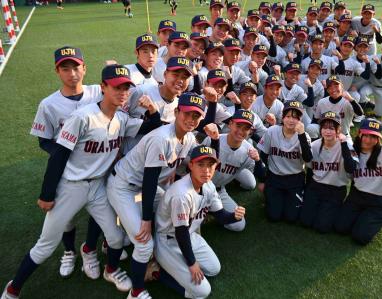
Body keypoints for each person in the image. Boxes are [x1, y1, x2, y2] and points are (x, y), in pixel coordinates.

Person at [1, 64, 162, 299]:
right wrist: (47, 194)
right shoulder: (82, 117)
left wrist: (151, 108)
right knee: (45, 246)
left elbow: (152, 125)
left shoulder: (122, 118)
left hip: (98, 187)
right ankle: (13, 289)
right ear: (103, 88)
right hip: (71, 186)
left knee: (115, 238)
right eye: (116, 87)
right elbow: (59, 155)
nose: (122, 92)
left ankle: (111, 269)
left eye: (126, 88)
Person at [107, 92, 219, 299]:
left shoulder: (188, 138)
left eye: (196, 116)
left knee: (168, 209)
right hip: (124, 185)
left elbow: (202, 161)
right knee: (144, 242)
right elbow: (150, 181)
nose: (191, 120)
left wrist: (215, 139)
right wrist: (146, 220)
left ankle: (164, 254)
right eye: (187, 114)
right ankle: (136, 291)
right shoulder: (162, 137)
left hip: (143, 186)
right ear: (177, 112)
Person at [29, 46, 104, 279]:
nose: (72, 73)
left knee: (98, 211)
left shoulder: (98, 92)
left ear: (85, 68)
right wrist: (65, 155)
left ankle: (89, 250)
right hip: (67, 171)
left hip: (97, 168)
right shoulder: (48, 104)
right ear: (57, 71)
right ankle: (70, 251)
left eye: (76, 67)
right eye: (65, 68)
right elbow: (44, 141)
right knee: (67, 217)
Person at [155, 145, 246, 298]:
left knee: (214, 269)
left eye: (210, 165)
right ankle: (156, 272)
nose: (206, 170)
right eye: (200, 164)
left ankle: (177, 264)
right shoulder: (182, 194)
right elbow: (180, 232)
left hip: (189, 235)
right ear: (191, 165)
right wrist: (192, 263)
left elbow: (221, 215)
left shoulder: (209, 186)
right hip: (168, 241)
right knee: (202, 292)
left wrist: (234, 216)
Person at [334, 118, 382, 244]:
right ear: (359, 134)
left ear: (378, 139)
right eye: (365, 135)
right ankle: (362, 217)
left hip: (381, 202)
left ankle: (376, 218)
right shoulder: (353, 151)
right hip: (358, 197)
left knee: (360, 237)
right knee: (340, 228)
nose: (368, 140)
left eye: (373, 137)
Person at [202, 109, 265, 231]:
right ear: (230, 124)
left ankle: (213, 209)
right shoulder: (213, 139)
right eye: (238, 125)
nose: (241, 131)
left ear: (250, 131)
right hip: (199, 188)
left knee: (238, 224)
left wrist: (258, 161)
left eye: (246, 128)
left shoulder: (249, 150)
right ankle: (208, 208)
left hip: (219, 190)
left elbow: (261, 176)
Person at [299, 111, 357, 233]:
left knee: (322, 227)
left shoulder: (346, 146)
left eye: (331, 128)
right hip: (316, 187)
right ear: (320, 130)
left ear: (338, 130)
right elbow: (309, 167)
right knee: (305, 222)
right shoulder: (315, 145)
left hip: (336, 189)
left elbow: (351, 168)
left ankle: (334, 210)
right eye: (324, 127)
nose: (327, 131)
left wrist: (344, 145)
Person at [257, 100, 313, 222]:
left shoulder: (304, 136)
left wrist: (302, 134)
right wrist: (263, 180)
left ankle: (285, 198)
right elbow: (263, 156)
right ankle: (272, 195)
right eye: (288, 116)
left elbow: (308, 159)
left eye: (295, 117)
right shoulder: (272, 131)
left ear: (300, 120)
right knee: (273, 216)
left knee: (291, 217)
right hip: (275, 178)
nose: (291, 120)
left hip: (295, 179)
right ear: (282, 118)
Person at [309, 75, 363, 141]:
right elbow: (315, 119)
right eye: (330, 87)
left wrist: (351, 99)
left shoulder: (348, 101)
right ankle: (316, 147)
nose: (333, 89)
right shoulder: (322, 102)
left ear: (342, 86)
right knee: (311, 128)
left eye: (336, 85)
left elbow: (360, 113)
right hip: (326, 134)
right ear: (327, 90)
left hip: (342, 135)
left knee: (349, 150)